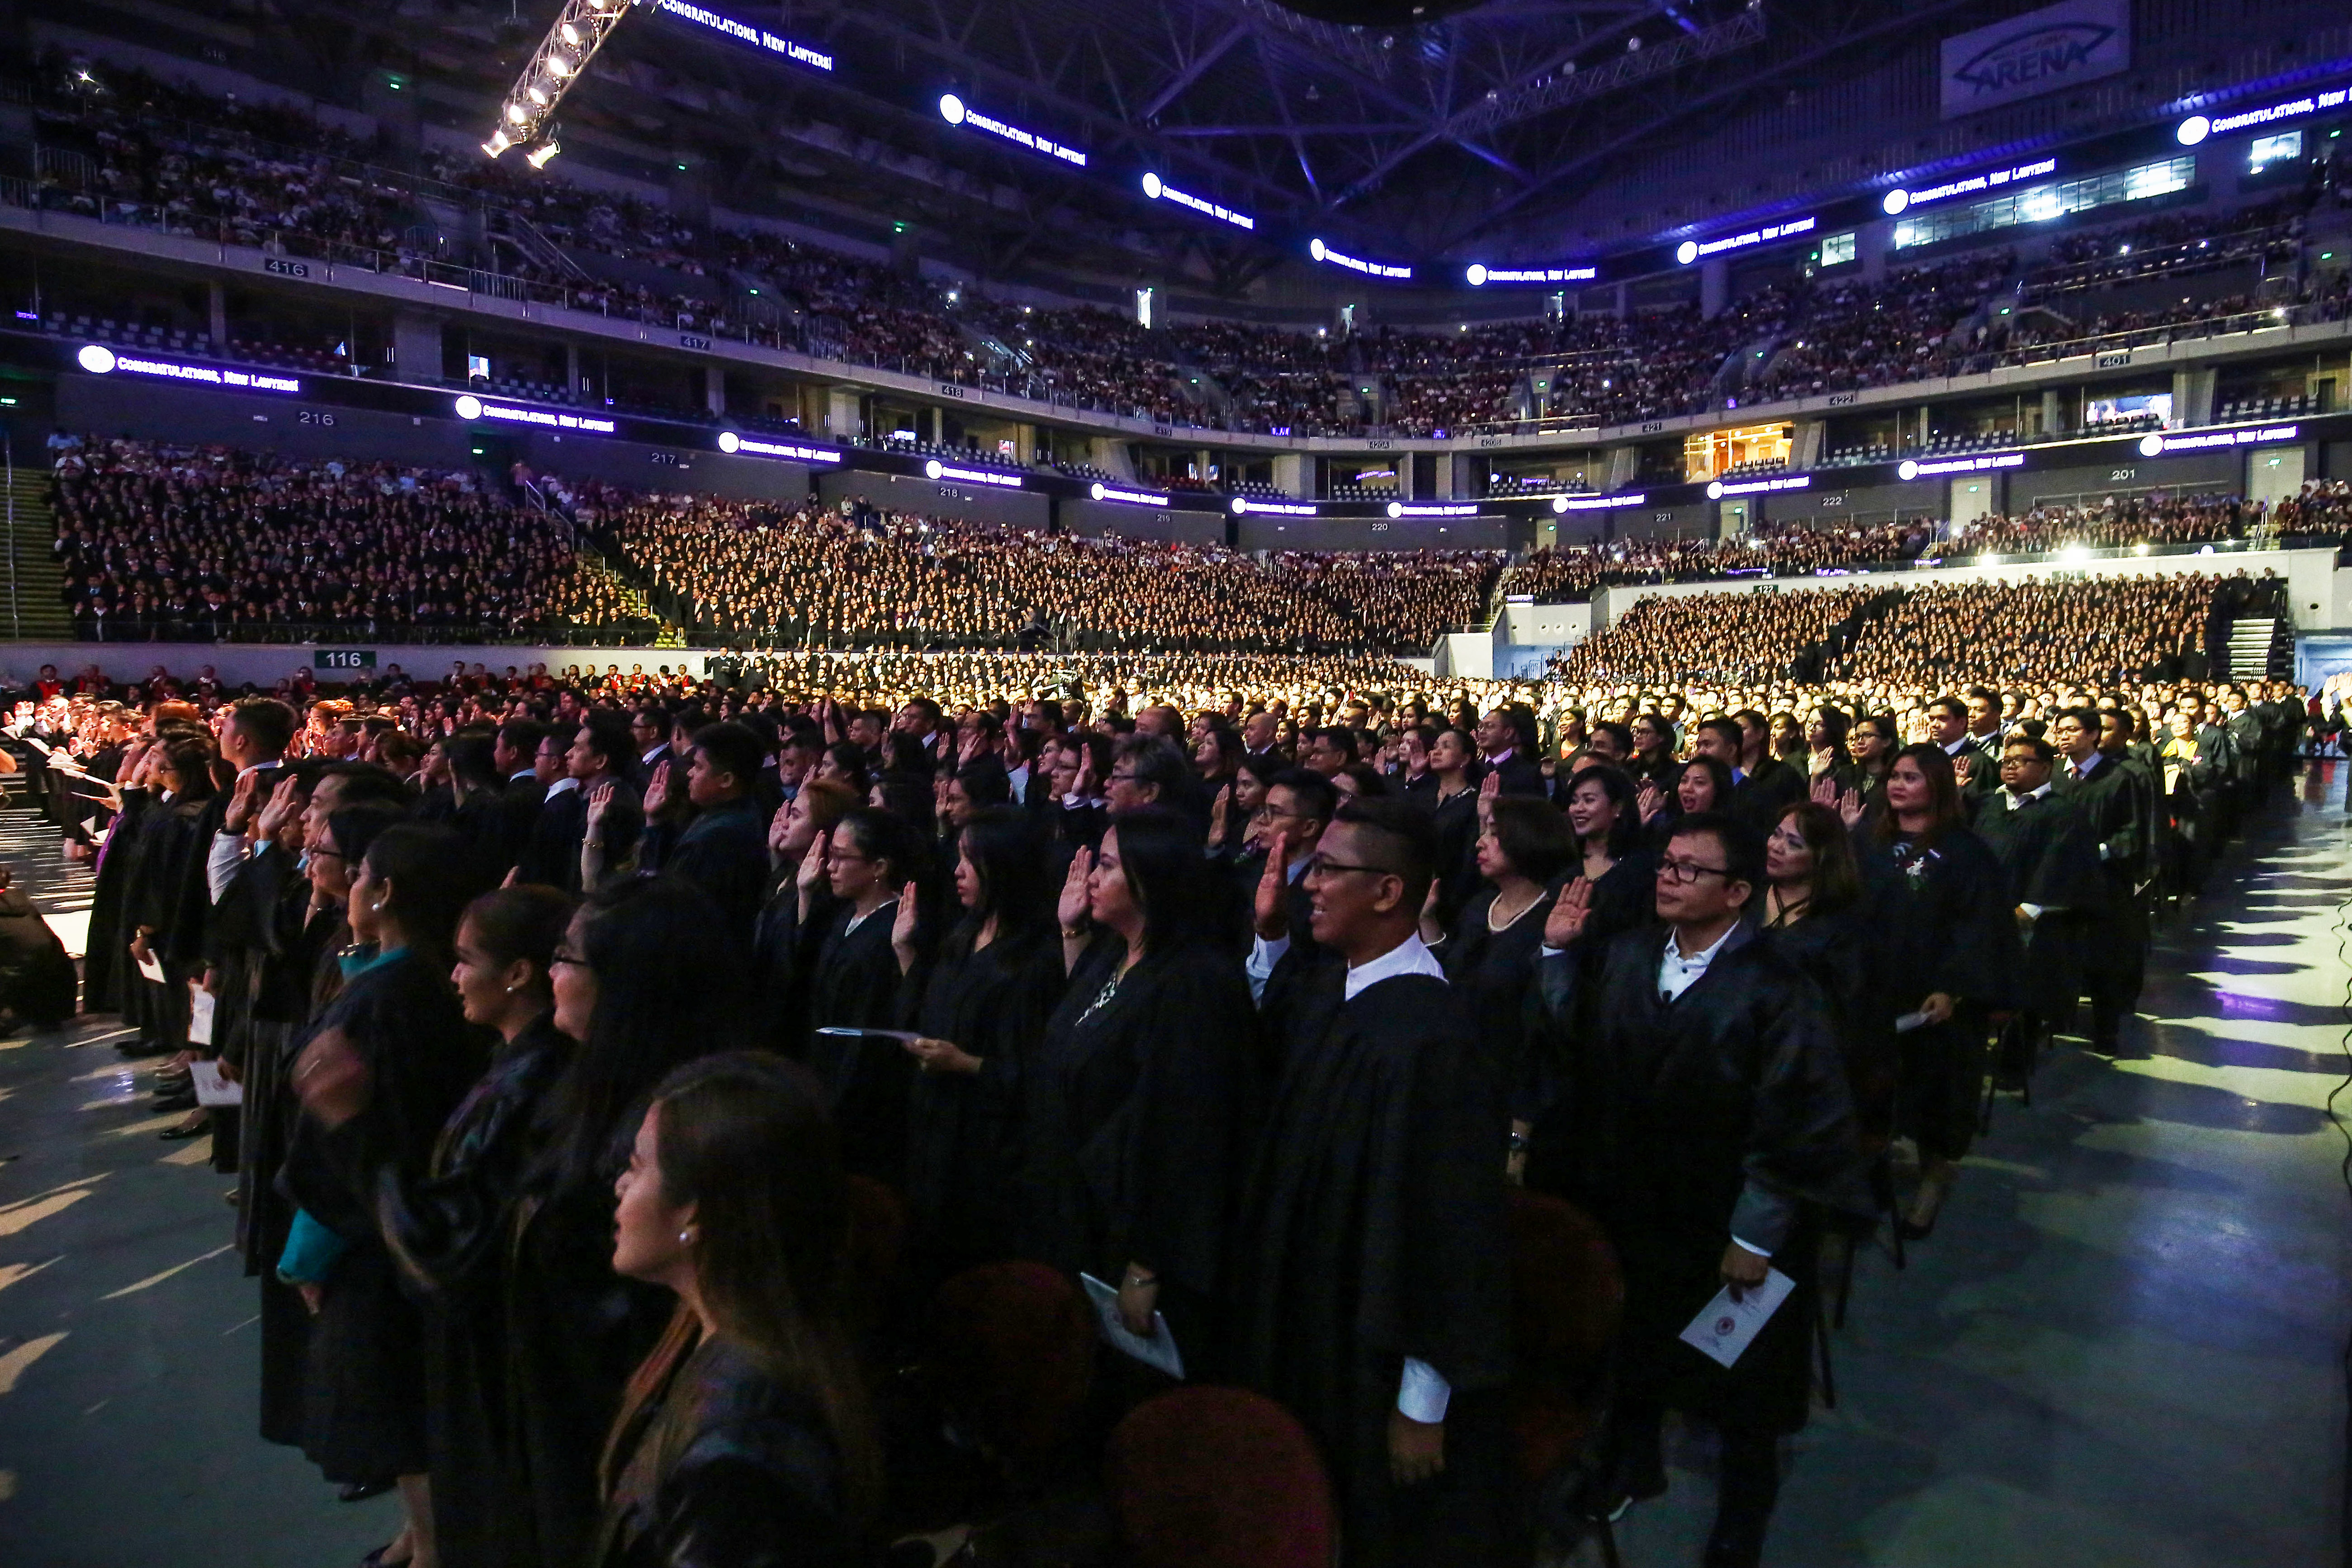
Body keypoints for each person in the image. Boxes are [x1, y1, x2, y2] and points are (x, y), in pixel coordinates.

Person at [1533, 812, 1866, 1568]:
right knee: (1639, 1340)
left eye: (1691, 869)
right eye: (1667, 864)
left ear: (1738, 891)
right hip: (1640, 1197)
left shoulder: (1778, 982)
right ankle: (1631, 1458)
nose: (1670, 877)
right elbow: (1575, 1044)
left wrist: (1754, 1234)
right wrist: (1556, 955)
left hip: (1730, 1212)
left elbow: (1799, 1114)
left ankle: (1744, 1509)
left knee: (1739, 1378)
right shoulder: (1627, 953)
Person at [1233, 797, 1511, 1568]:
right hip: (1309, 1312)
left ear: (1388, 891)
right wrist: (1267, 936)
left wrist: (1423, 1400)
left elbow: (1450, 1228)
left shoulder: (1432, 1039)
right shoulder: (1332, 987)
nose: (1306, 884)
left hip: (1372, 1349)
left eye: (1325, 869)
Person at [303, 884, 577, 1568]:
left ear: (518, 973)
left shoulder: (531, 1081)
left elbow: (442, 1245)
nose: (453, 975)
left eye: (465, 959)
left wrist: (354, 1127)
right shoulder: (511, 1061)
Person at [284, 824, 497, 1568]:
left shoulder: (385, 997)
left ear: (385, 891)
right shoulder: (416, 978)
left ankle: (435, 1546)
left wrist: (309, 1244)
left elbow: (343, 1139)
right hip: (395, 1217)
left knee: (400, 1404)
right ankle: (419, 1536)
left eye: (358, 872)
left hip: (375, 1229)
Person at [597, 1053, 880, 1568]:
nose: (618, 1184)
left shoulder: (743, 1441)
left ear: (696, 1211)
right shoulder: (711, 1338)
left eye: (636, 1167)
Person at [1020, 807, 1258, 1367]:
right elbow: (1077, 1035)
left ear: (1151, 877)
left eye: (1106, 865)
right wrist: (1071, 929)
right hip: (1071, 1205)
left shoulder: (1194, 982)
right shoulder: (1114, 951)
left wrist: (1147, 1263)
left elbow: (1187, 1133)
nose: (1091, 878)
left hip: (1129, 1233)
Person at [894, 807, 1065, 1281]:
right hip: (933, 1127)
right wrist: (906, 953)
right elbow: (926, 1010)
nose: (957, 871)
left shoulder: (1035, 959)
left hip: (983, 1151)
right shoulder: (963, 933)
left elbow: (1039, 1073)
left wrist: (967, 1063)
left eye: (970, 861)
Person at [1854, 744, 2016, 1239]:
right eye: (1893, 777)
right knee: (1872, 1086)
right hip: (1875, 987)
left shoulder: (1965, 852)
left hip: (1936, 1000)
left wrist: (1953, 987)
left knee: (1934, 1094)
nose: (1896, 784)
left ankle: (1932, 1177)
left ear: (1937, 786)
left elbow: (1979, 926)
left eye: (1910, 777)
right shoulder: (1869, 839)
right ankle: (1871, 1171)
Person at [1973, 734, 2106, 1089]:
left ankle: (2016, 1059)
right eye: (2006, 760)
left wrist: (2029, 909)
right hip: (1981, 913)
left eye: (2021, 760)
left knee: (2024, 984)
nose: (2010, 765)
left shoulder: (2062, 813)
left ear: (2046, 768)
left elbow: (2060, 866)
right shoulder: (1988, 804)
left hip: (2031, 919)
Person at [797, 807, 918, 1186]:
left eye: (841, 857)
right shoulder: (845, 916)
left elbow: (865, 1035)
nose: (829, 866)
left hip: (856, 1103)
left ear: (879, 866)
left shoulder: (891, 931)